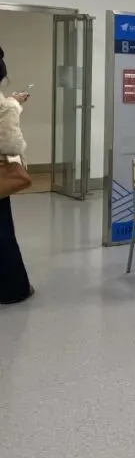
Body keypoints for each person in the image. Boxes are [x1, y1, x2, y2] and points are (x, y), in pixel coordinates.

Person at [0, 46, 34, 305]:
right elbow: (11, 145)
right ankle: (13, 290)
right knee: (3, 234)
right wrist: (13, 106)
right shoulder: (4, 107)